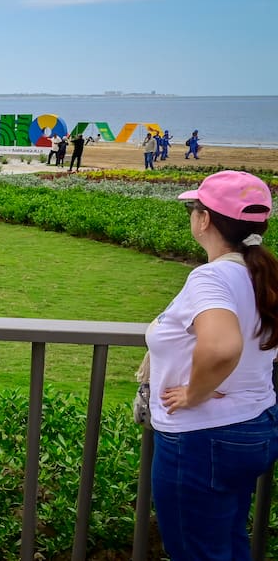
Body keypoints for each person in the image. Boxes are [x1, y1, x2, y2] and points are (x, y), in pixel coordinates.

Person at [148, 170, 278, 559]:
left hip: (202, 438)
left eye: (194, 208)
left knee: (197, 550)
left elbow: (222, 347)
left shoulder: (211, 278)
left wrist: (195, 392)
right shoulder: (261, 274)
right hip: (254, 426)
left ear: (204, 219)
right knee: (228, 543)